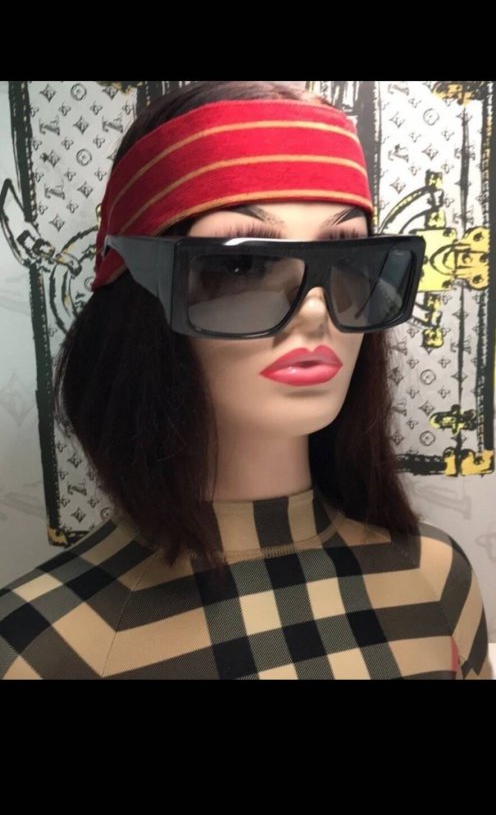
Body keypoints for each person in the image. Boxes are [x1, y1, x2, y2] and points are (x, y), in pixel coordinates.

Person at [0, 80, 492, 680]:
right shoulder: (44, 649)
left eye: (349, 259)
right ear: (140, 297)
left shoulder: (437, 580)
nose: (316, 310)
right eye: (241, 264)